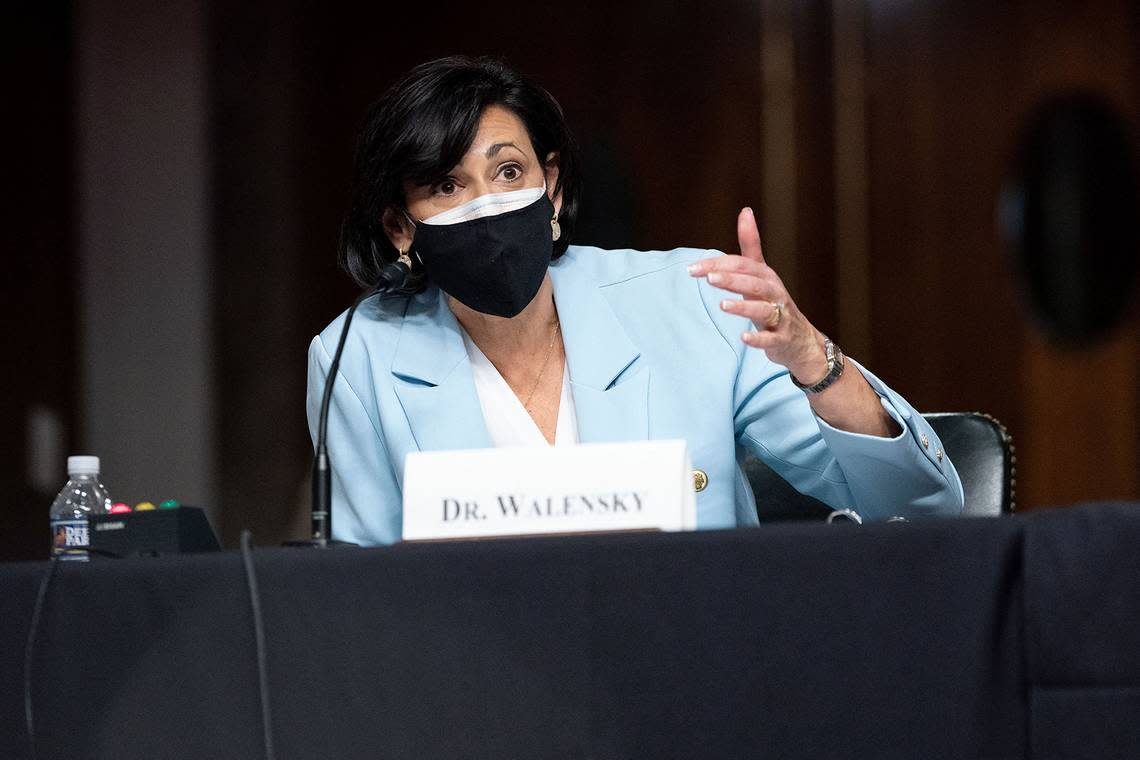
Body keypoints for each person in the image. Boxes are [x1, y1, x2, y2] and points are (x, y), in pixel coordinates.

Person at [306, 56, 963, 546]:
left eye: (509, 172)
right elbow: (364, 596)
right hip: (486, 703)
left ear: (552, 188)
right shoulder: (355, 359)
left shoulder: (691, 299)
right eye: (448, 185)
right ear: (400, 228)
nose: (488, 204)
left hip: (696, 679)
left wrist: (811, 356)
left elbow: (915, 504)